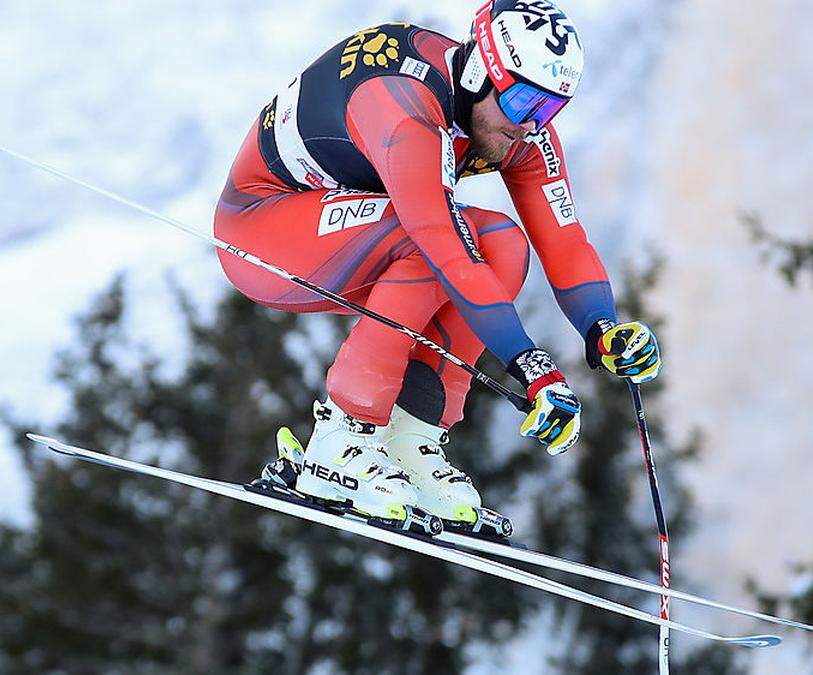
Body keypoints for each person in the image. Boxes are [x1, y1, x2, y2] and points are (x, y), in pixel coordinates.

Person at [214, 0, 661, 532]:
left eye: (550, 108)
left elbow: (563, 239)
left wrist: (601, 326)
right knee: (432, 240)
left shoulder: (513, 123)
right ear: (479, 72)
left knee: (502, 244)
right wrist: (529, 364)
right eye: (523, 102)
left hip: (346, 230)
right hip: (261, 230)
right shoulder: (405, 106)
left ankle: (409, 436)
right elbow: (442, 246)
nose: (531, 124)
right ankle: (343, 436)